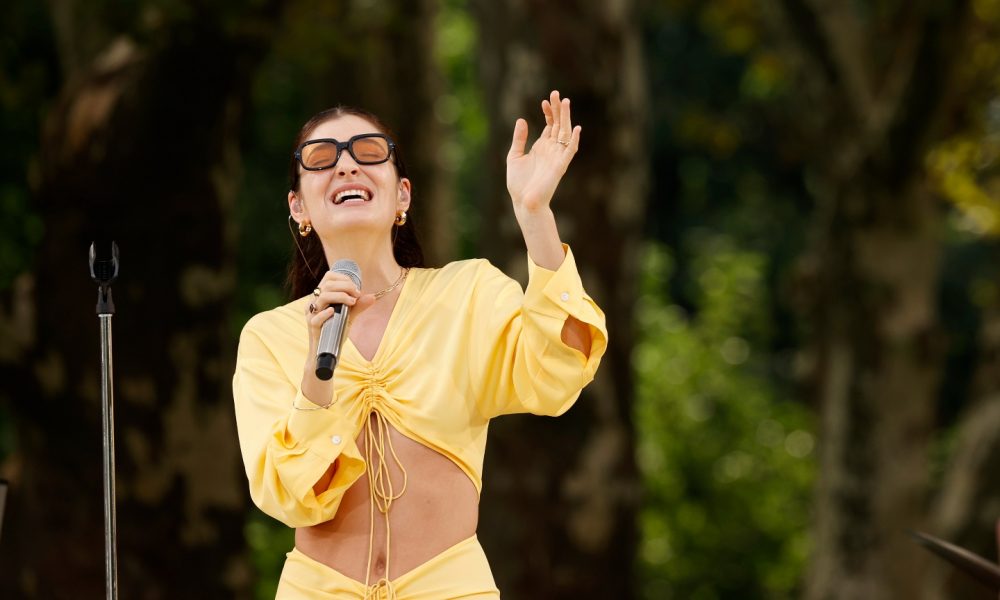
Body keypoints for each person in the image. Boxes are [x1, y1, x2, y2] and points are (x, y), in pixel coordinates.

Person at [233, 90, 608, 599]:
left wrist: (534, 212)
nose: (346, 167)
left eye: (368, 152)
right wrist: (315, 375)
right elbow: (292, 497)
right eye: (322, 159)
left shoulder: (466, 293)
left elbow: (560, 368)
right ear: (298, 205)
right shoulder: (268, 337)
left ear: (402, 195)